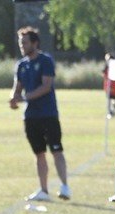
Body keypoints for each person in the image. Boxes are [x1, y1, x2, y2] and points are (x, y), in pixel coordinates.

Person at [10, 27, 71, 202]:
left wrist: (24, 98)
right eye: (21, 42)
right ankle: (44, 190)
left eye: (25, 42)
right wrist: (13, 99)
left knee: (56, 150)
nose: (22, 46)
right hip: (30, 116)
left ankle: (65, 186)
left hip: (48, 114)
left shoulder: (45, 61)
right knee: (39, 153)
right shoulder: (21, 65)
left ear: (35, 43)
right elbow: (17, 87)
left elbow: (46, 86)